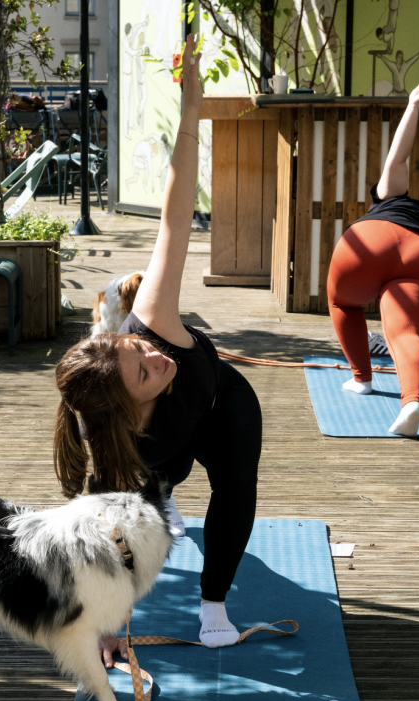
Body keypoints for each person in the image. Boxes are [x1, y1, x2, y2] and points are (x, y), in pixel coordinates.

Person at [53, 34, 262, 664]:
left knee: (236, 485)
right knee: (139, 510)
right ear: (126, 409)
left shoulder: (153, 322)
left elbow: (173, 217)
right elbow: (106, 550)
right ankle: (164, 489)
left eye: (142, 352)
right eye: (145, 371)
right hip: (154, 453)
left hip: (220, 400)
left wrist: (191, 109)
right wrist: (110, 624)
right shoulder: (112, 460)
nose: (158, 358)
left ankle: (214, 602)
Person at [327, 76, 419, 437]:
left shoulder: (386, 197)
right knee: (405, 332)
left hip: (370, 240)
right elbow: (400, 156)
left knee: (342, 303)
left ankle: (362, 379)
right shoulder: (408, 206)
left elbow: (397, 157)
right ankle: (412, 401)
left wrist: (413, 106)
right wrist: (414, 106)